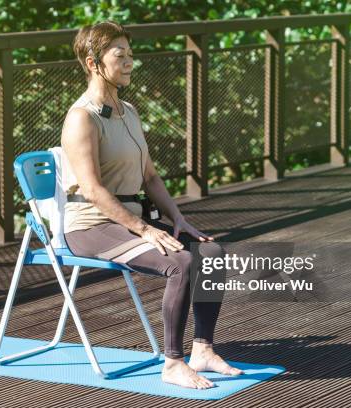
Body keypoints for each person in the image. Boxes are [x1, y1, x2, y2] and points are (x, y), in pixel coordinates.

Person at [60, 21, 241, 390]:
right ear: (94, 63)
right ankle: (173, 363)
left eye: (130, 54)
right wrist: (145, 229)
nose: (129, 62)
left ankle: (202, 350)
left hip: (130, 220)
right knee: (182, 263)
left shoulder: (128, 110)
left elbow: (151, 177)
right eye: (119, 55)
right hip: (89, 226)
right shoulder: (82, 117)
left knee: (213, 252)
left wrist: (178, 219)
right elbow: (92, 190)